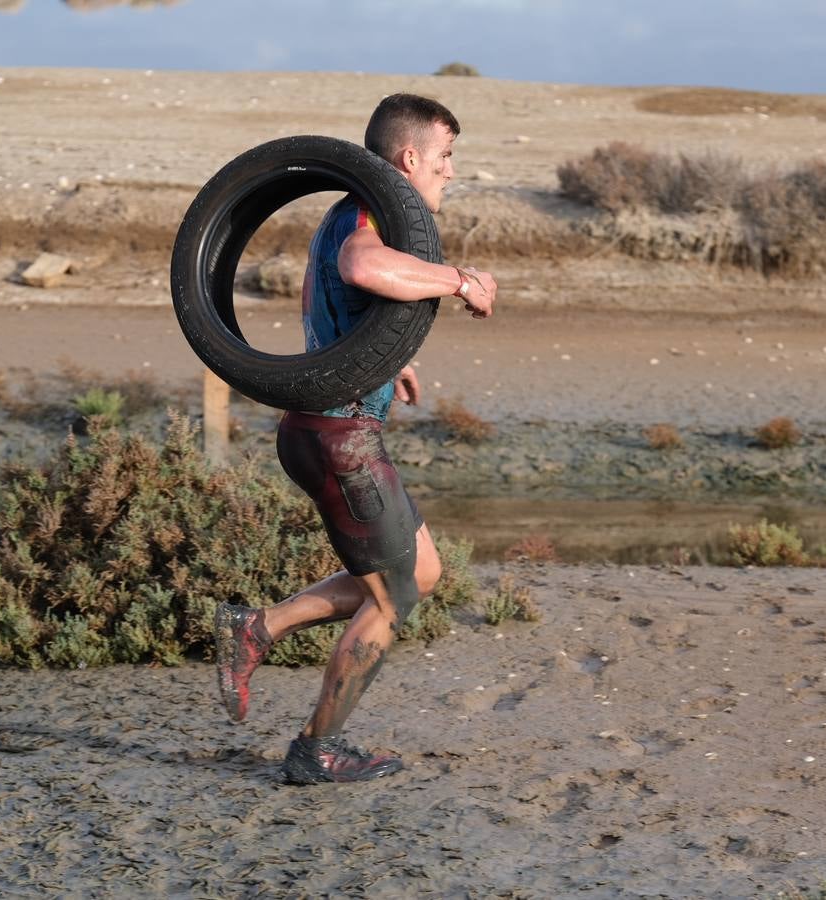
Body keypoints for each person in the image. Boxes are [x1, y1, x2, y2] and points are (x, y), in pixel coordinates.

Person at [214, 93, 497, 784]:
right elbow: (362, 271)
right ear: (407, 159)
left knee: (420, 573)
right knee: (392, 599)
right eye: (445, 157)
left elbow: (348, 308)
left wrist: (386, 359)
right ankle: (317, 749)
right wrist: (460, 280)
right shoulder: (366, 213)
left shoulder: (352, 211)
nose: (451, 172)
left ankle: (259, 628)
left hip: (328, 425)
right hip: (342, 439)